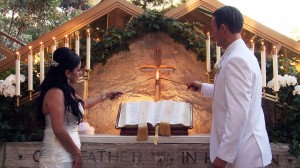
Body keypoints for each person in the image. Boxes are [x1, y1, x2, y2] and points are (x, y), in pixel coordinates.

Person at [187, 6, 272, 168]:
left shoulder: (236, 61)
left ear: (223, 28)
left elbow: (238, 113)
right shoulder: (241, 54)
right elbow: (228, 94)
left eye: (213, 27)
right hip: (243, 153)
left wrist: (223, 157)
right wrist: (202, 87)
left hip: (244, 156)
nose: (212, 32)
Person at [37, 47, 123, 168]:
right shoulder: (55, 92)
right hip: (57, 156)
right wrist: (76, 152)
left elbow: (84, 105)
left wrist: (108, 95)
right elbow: (58, 129)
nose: (81, 72)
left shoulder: (66, 91)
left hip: (67, 153)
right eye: (78, 69)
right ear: (67, 73)